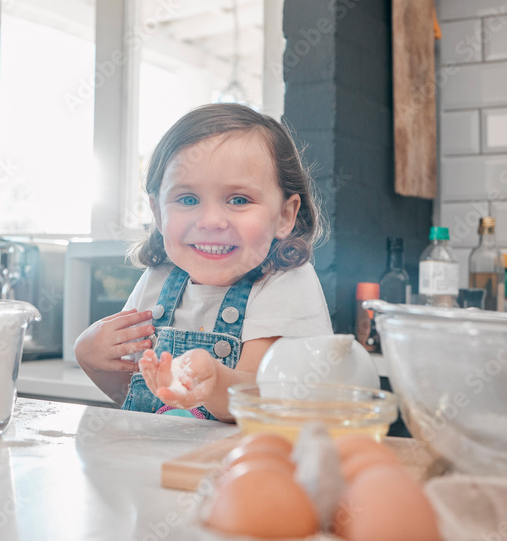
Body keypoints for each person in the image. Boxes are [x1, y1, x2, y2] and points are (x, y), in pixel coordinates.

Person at [74, 103, 331, 420]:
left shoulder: (285, 283)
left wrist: (215, 380)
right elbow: (136, 397)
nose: (210, 220)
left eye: (238, 199)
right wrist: (92, 359)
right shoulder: (158, 280)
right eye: (188, 199)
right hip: (160, 465)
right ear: (157, 212)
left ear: (284, 215)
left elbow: (260, 400)